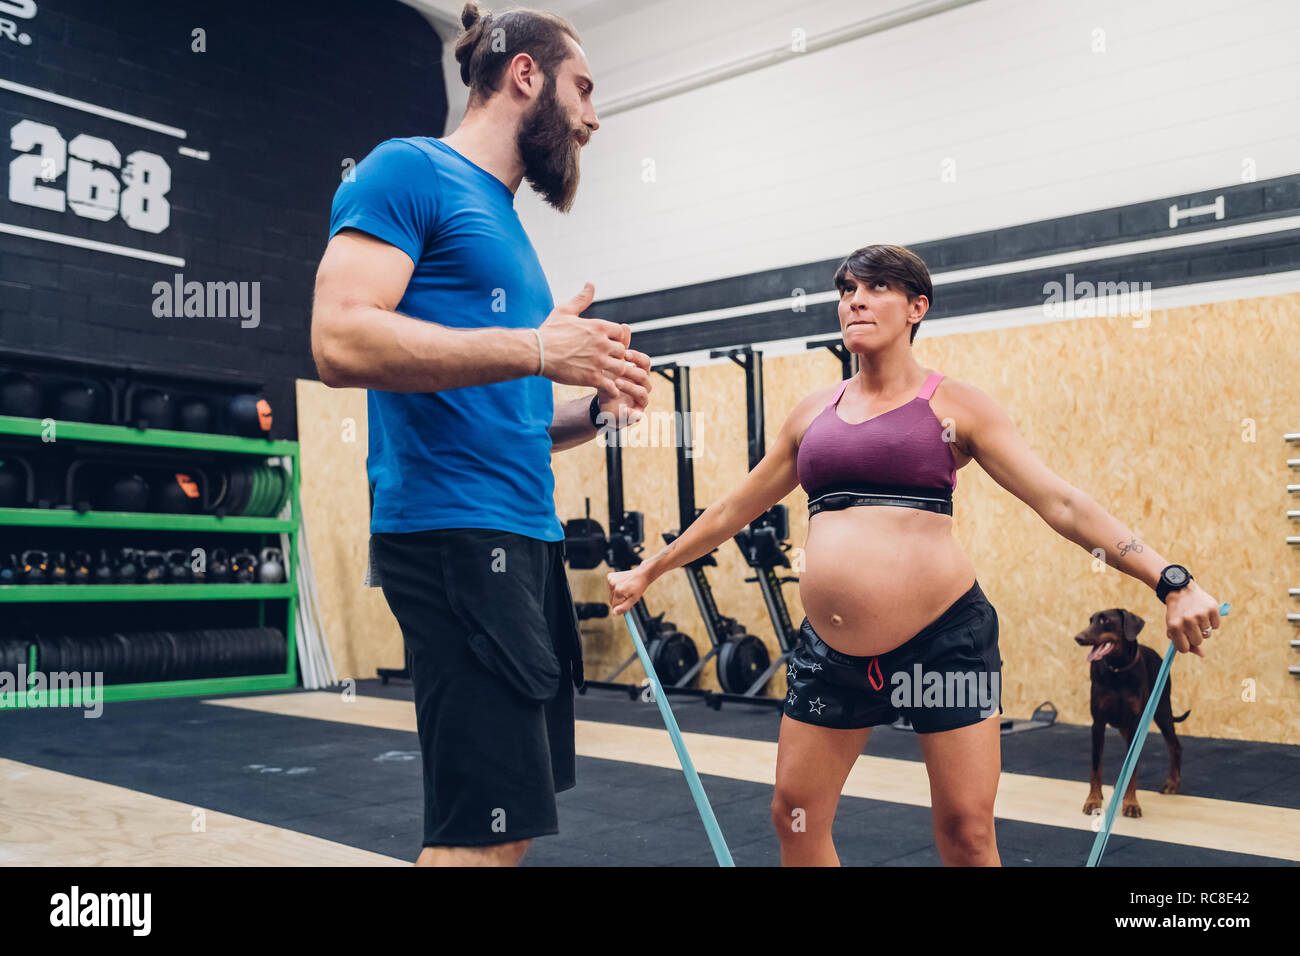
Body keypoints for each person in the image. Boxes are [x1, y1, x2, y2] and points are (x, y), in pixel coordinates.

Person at [607, 243, 1222, 867]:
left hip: (943, 642)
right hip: (829, 654)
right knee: (794, 815)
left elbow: (1062, 504)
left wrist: (1169, 579)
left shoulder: (955, 406)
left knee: (966, 832)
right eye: (847, 290)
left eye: (875, 289)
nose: (856, 300)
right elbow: (732, 510)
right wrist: (649, 569)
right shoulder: (812, 413)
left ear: (916, 307)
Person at [311, 2, 651, 867]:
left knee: (508, 826)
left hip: (520, 537)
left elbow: (504, 420)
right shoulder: (407, 171)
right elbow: (339, 338)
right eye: (583, 88)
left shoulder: (507, 228)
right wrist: (540, 346)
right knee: (477, 836)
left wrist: (591, 404)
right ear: (525, 75)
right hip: (455, 536)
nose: (593, 116)